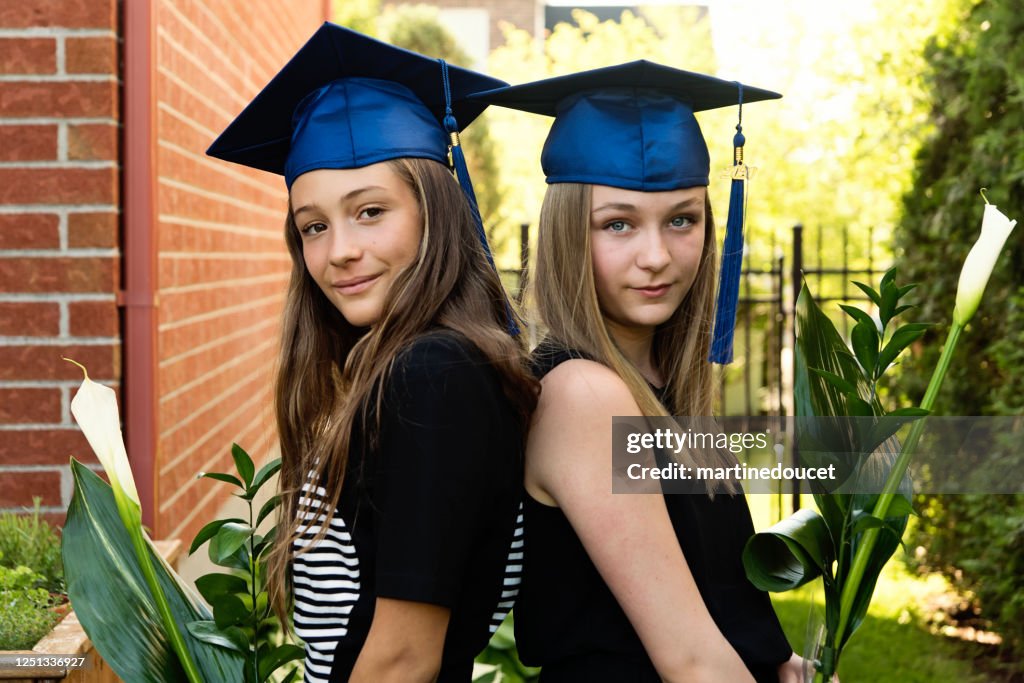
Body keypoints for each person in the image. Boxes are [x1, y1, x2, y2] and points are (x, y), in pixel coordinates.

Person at [207, 24, 537, 683]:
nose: (340, 251)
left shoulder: (435, 374)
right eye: (314, 226)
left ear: (435, 210)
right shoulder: (398, 370)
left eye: (370, 211)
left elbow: (403, 659)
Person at [471, 61, 803, 682]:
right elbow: (691, 662)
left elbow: (715, 604)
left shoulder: (657, 387)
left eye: (682, 219)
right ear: (570, 233)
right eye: (617, 224)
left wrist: (782, 664)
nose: (657, 257)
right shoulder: (584, 394)